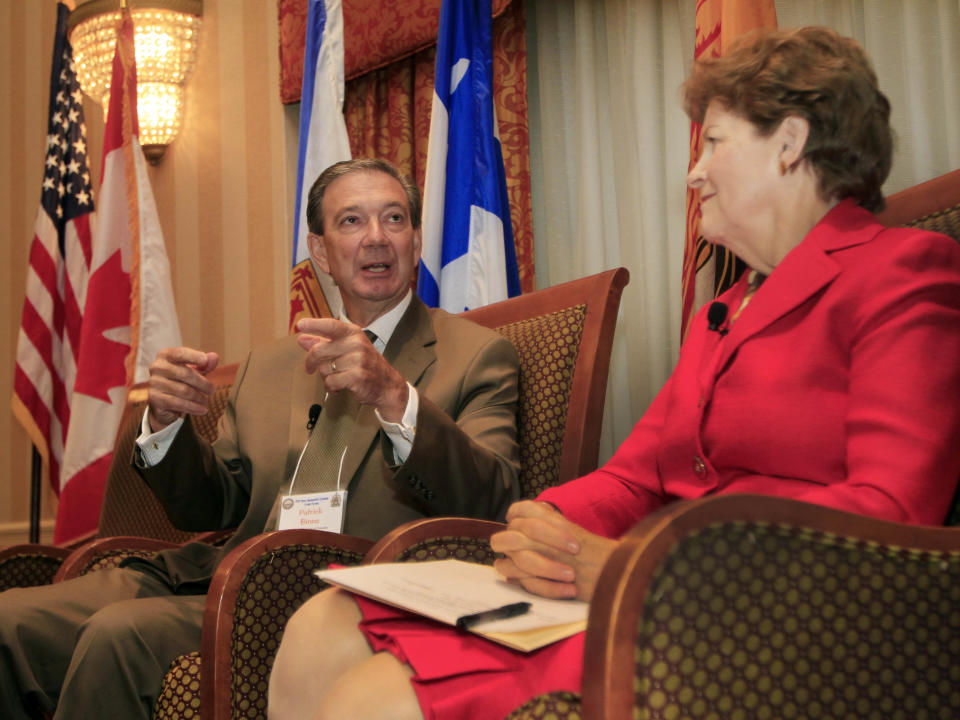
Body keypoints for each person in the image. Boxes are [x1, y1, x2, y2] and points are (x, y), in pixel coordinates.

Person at [266, 27, 960, 720]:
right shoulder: (724, 309)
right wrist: (549, 521)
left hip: (769, 622)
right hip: (658, 585)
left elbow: (891, 516)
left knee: (375, 700)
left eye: (715, 143)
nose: (694, 172)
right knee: (319, 629)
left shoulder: (903, 273)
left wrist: (642, 565)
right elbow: (635, 476)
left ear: (790, 143)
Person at [0, 158, 521, 720]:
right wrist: (166, 425)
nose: (376, 237)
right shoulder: (270, 364)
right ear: (320, 252)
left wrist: (395, 397)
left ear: (416, 240)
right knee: (10, 620)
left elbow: (493, 500)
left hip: (332, 596)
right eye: (351, 221)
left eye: (393, 219)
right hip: (215, 573)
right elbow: (212, 504)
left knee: (118, 636)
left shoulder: (476, 355)